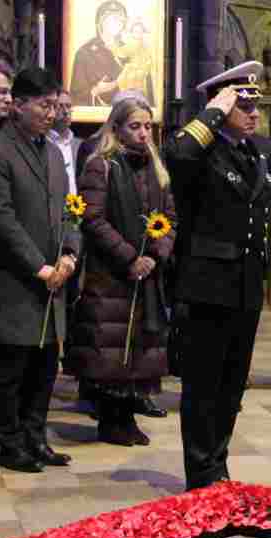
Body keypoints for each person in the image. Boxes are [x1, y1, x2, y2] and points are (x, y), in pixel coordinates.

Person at [165, 61, 271, 489]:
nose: (253, 113)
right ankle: (200, 472)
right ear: (222, 103)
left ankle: (219, 464)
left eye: (255, 105)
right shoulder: (201, 151)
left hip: (244, 285)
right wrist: (211, 113)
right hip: (207, 286)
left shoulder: (254, 151)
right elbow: (176, 153)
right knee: (203, 385)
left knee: (231, 385)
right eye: (243, 104)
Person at [0, 67, 78, 474]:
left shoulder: (54, 152)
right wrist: (40, 268)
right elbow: (2, 219)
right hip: (18, 280)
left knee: (44, 368)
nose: (51, 113)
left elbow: (71, 211)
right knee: (12, 371)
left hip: (56, 280)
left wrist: (71, 253)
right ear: (17, 105)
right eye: (43, 105)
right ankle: (11, 443)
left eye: (55, 105)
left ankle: (36, 438)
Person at [67, 96, 177, 447]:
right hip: (112, 273)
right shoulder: (102, 165)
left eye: (148, 126)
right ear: (116, 128)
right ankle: (112, 418)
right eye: (135, 126)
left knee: (139, 348)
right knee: (110, 347)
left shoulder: (157, 167)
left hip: (147, 275)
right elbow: (93, 219)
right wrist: (130, 257)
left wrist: (156, 254)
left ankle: (127, 415)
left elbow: (171, 219)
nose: (144, 133)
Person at [70, 0, 126, 106]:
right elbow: (76, 95)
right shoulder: (85, 53)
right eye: (110, 19)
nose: (115, 23)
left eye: (119, 20)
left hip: (125, 114)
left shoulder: (130, 52)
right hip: (95, 113)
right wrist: (95, 91)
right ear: (99, 23)